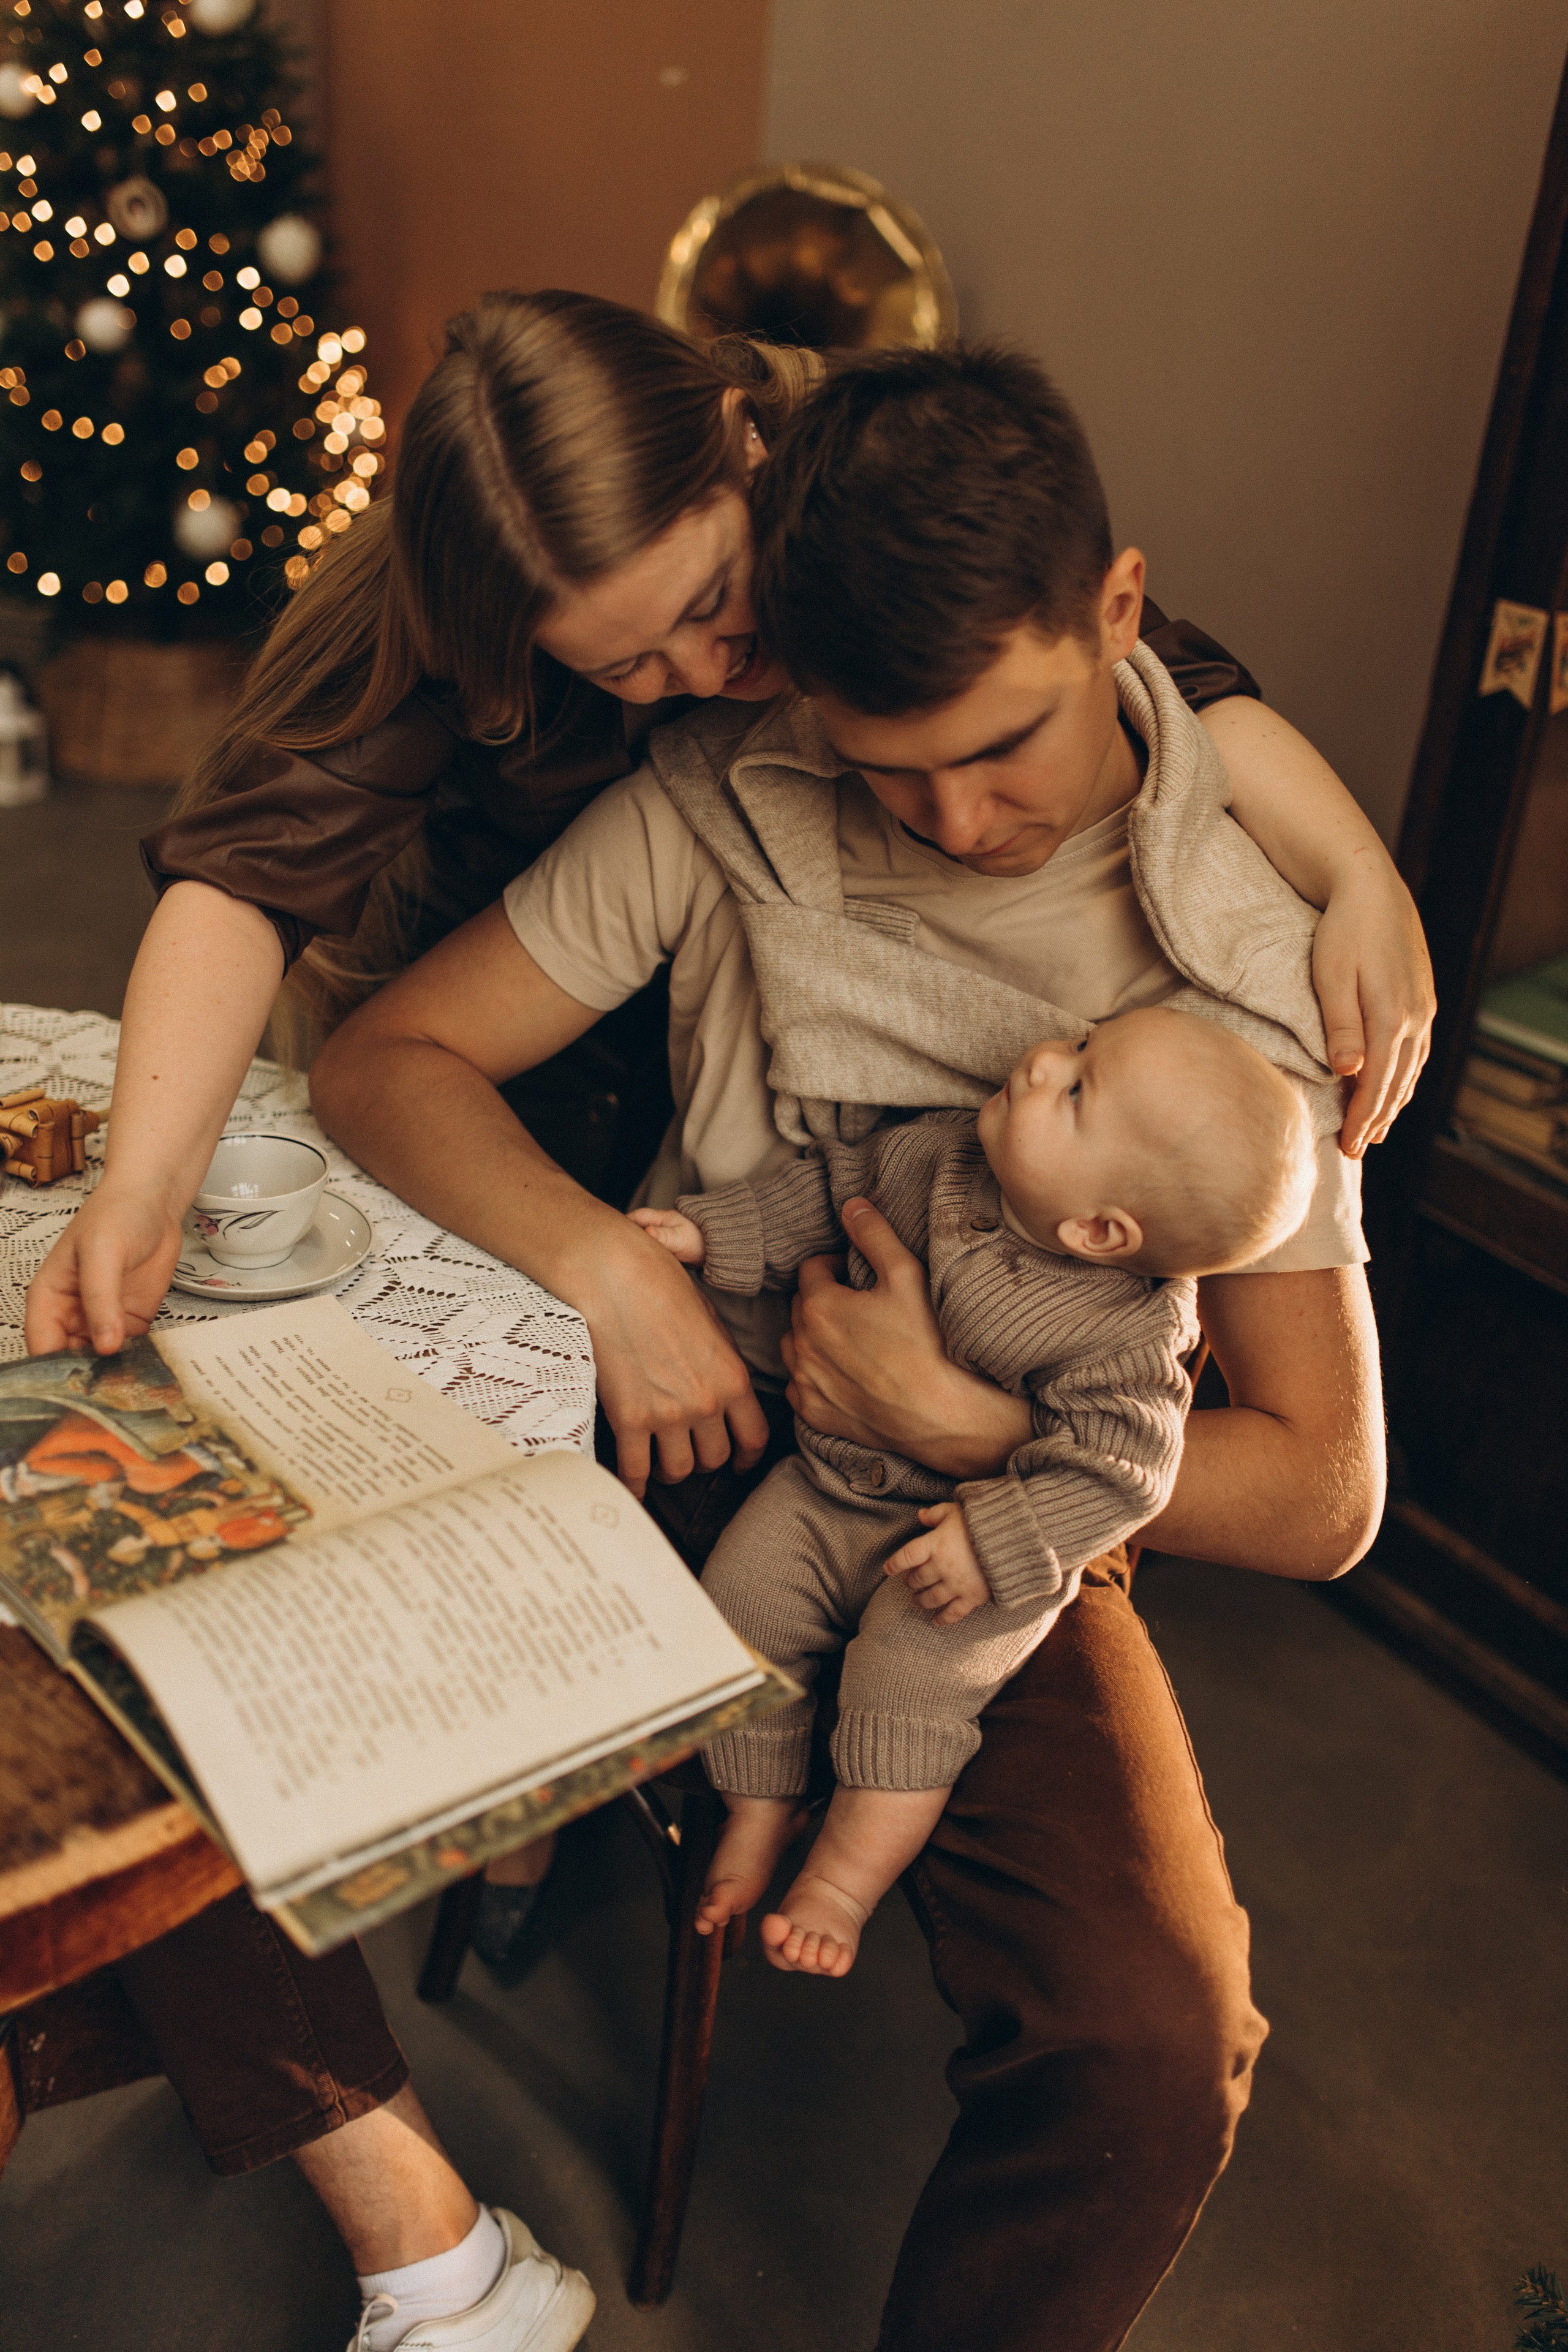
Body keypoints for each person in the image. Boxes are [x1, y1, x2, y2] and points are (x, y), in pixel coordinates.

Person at [19, 296, 1427, 2351]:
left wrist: (960, 1432)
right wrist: (575, 1258)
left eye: (1003, 747)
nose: (956, 820)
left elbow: (1320, 1488)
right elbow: (379, 1029)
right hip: (646, 1331)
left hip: (1009, 1503)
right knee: (159, 1642)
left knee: (1153, 2034)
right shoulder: (728, 786)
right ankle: (431, 2238)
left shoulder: (1238, 944)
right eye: (889, 762)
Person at [632, 1010, 1315, 1978]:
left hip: (978, 1558)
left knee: (909, 1687)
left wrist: (993, 1538)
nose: (1042, 1059)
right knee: (739, 1608)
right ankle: (759, 1804)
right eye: (1080, 1047)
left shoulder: (1132, 1335)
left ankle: (842, 1882)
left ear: (1101, 1229)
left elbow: (1122, 1474)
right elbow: (828, 1191)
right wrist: (712, 1231)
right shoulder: (939, 1159)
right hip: (828, 1490)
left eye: (1076, 1089)